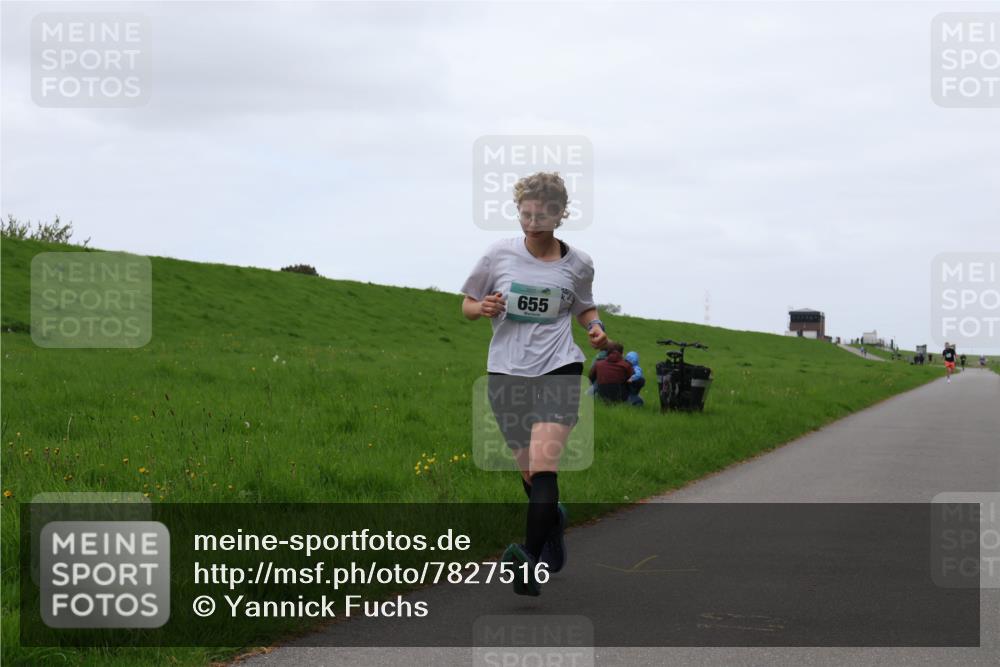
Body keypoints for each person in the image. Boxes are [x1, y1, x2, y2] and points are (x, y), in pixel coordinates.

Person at [460, 171, 607, 596]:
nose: (532, 222)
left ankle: (527, 560)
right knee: (528, 474)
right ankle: (552, 524)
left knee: (545, 467)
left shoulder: (578, 263)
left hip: (559, 368)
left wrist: (594, 327)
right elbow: (466, 305)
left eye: (542, 214)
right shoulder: (498, 255)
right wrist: (481, 306)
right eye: (525, 214)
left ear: (561, 214)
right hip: (506, 372)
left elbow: (585, 306)